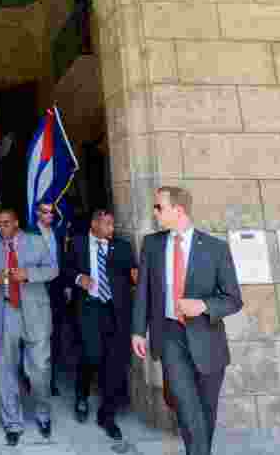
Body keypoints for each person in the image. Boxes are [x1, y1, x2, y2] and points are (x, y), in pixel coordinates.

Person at [132, 187, 243, 455]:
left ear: (178, 210)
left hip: (207, 338)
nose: (155, 212)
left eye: (159, 207)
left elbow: (233, 299)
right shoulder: (152, 244)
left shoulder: (216, 249)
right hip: (170, 335)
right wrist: (138, 331)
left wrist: (203, 305)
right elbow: (144, 290)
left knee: (205, 410)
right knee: (185, 404)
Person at [0, 209, 58, 445]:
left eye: (6, 223)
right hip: (6, 311)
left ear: (16, 223)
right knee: (6, 368)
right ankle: (12, 423)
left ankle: (43, 414)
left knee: (40, 368)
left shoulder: (36, 242)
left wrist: (28, 274)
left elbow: (53, 269)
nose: (1, 228)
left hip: (35, 311)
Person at [63, 209, 136, 441]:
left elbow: (132, 273)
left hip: (114, 311)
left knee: (113, 362)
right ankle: (82, 395)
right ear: (94, 224)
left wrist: (135, 276)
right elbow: (65, 270)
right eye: (107, 224)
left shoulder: (122, 247)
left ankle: (107, 415)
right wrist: (78, 278)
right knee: (91, 355)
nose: (112, 229)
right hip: (89, 308)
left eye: (112, 224)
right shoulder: (77, 244)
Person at [35, 202, 69, 396]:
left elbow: (62, 260)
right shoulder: (29, 234)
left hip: (56, 288)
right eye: (45, 212)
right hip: (36, 288)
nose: (50, 215)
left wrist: (66, 285)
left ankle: (51, 379)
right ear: (38, 213)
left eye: (52, 212)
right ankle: (35, 378)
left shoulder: (57, 233)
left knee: (54, 335)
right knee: (37, 336)